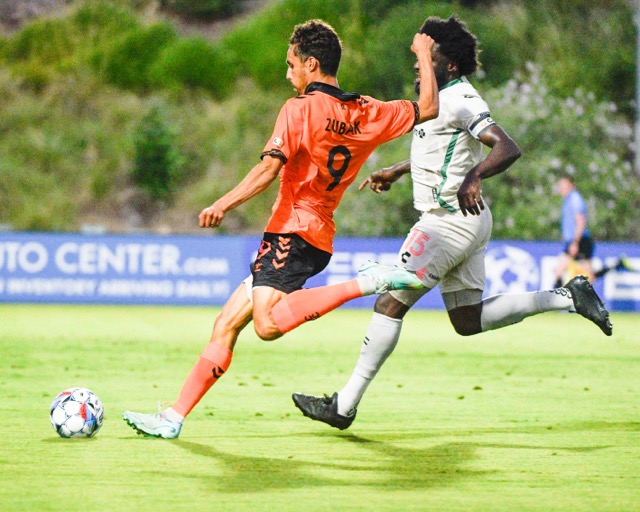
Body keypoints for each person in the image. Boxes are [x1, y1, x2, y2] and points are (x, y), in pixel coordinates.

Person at [292, 15, 613, 431]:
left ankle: (344, 406)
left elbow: (506, 146)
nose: (418, 64)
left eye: (430, 56)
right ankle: (568, 297)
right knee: (467, 321)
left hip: (446, 222)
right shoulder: (438, 98)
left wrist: (475, 176)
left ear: (451, 65)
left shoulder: (461, 97)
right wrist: (397, 169)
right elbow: (443, 148)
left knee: (389, 301)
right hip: (468, 222)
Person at [122, 19, 440, 438]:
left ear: (311, 64)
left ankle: (367, 282)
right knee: (226, 324)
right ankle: (173, 418)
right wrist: (421, 54)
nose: (287, 74)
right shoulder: (368, 110)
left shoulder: (300, 109)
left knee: (266, 325)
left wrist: (222, 203)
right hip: (315, 233)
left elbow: (269, 169)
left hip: (291, 232)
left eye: (291, 65)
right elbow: (429, 108)